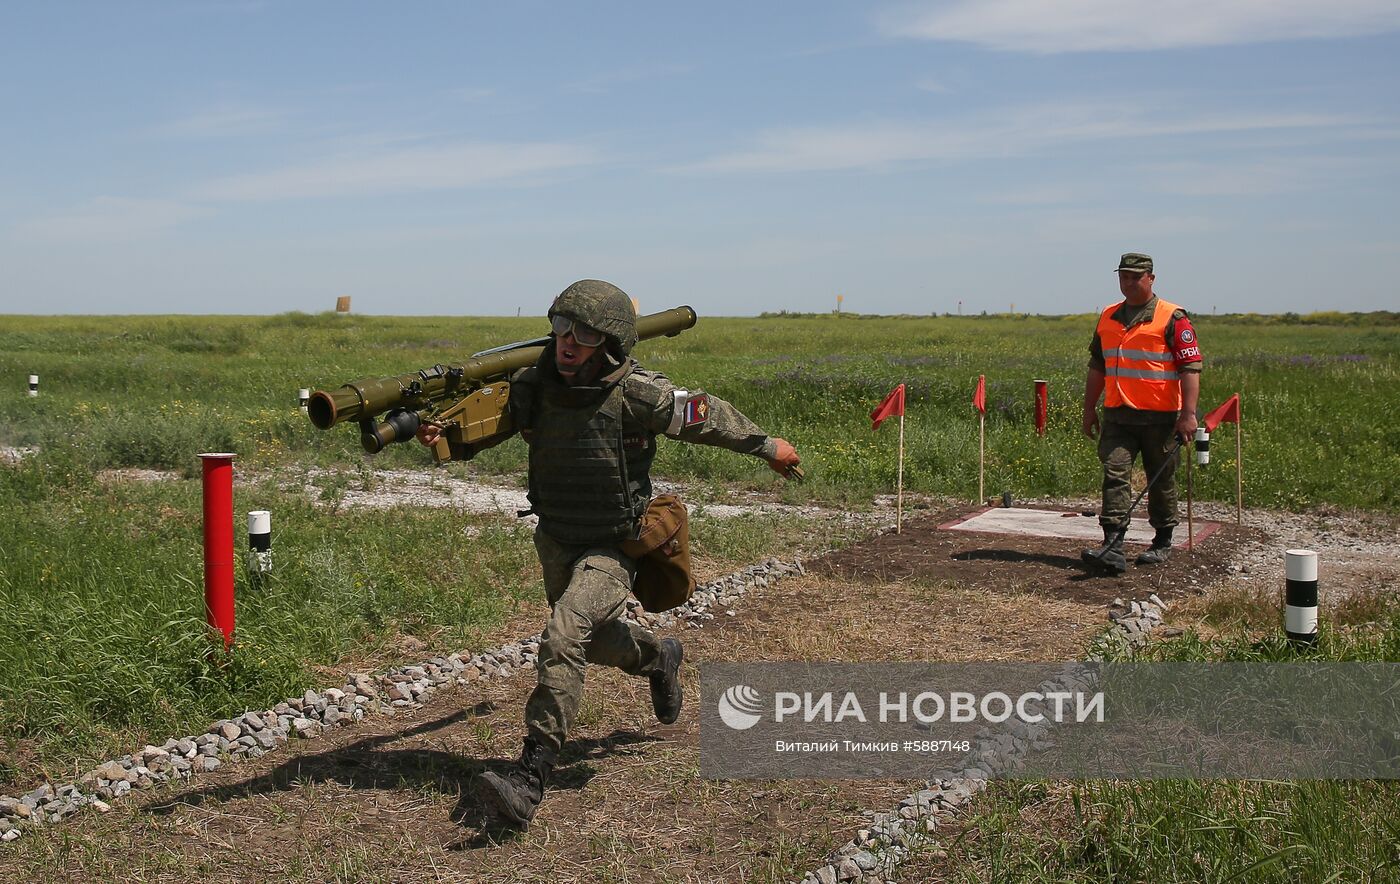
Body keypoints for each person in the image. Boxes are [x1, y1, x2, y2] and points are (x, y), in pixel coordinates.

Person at [418, 279, 801, 826]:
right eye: (560, 328)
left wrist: (766, 446)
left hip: (613, 542)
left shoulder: (638, 393)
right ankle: (658, 658)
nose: (567, 342)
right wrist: (441, 436)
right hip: (556, 536)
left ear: (612, 343)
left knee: (563, 634)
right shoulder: (533, 385)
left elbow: (704, 415)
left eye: (585, 333)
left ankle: (531, 775)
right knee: (594, 643)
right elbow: (474, 434)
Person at [1081, 253, 1201, 574]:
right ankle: (1113, 545)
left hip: (1160, 417)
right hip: (1118, 414)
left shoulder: (1172, 317)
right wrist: (1089, 408)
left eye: (1136, 277)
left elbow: (1190, 367)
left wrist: (1188, 414)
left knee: (1160, 480)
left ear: (1151, 278)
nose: (1129, 283)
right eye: (1124, 276)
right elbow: (1097, 365)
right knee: (1114, 473)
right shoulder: (1108, 316)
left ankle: (1162, 541)